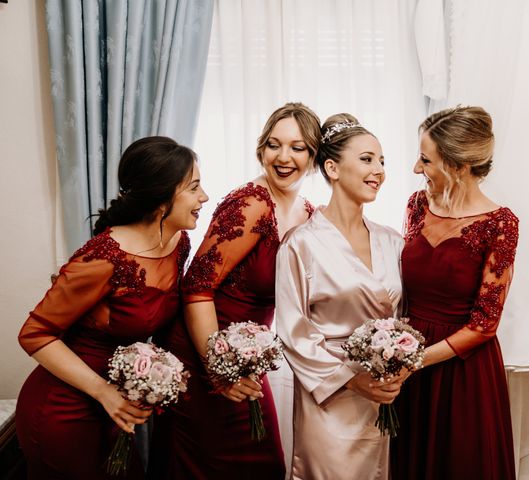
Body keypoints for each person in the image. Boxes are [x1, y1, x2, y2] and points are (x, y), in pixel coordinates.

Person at [15, 136, 209, 479]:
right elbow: (34, 334)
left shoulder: (177, 243)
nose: (203, 197)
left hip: (116, 408)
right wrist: (104, 392)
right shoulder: (104, 257)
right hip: (64, 410)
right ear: (162, 198)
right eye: (194, 188)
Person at [149, 102, 321, 479]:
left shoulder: (309, 212)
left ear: (314, 155)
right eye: (274, 145)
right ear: (261, 149)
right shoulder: (249, 205)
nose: (284, 156)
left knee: (262, 464)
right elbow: (196, 287)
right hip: (203, 352)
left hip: (246, 357)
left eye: (298, 147)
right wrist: (219, 367)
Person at [390, 106, 518, 479]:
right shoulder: (416, 206)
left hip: (463, 373)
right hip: (410, 366)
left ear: (459, 166)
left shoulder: (500, 224)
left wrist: (415, 360)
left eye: (426, 160)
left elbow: (484, 324)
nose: (416, 169)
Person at [275, 113, 405, 480]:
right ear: (332, 168)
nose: (378, 169)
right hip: (329, 398)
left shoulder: (393, 241)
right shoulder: (299, 245)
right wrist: (351, 379)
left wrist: (399, 370)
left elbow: (403, 318)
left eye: (382, 161)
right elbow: (292, 330)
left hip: (383, 396)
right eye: (366, 159)